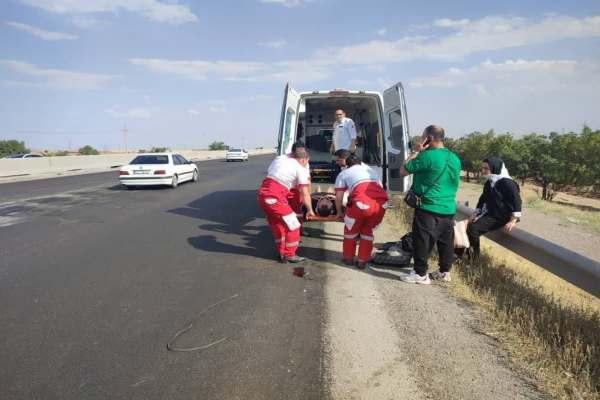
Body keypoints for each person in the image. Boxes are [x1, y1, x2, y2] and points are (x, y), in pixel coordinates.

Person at [400, 125, 461, 284]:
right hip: (448, 207)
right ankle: (444, 272)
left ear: (429, 138)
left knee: (422, 241)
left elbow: (403, 170)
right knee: (445, 242)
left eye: (423, 136)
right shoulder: (455, 158)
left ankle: (420, 274)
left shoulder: (426, 156)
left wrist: (416, 152)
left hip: (429, 207)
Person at [258, 148, 316, 263]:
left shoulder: (280, 159)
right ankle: (290, 254)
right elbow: (305, 193)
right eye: (306, 161)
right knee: (294, 224)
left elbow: (271, 171)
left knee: (278, 225)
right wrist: (310, 210)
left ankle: (282, 252)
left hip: (263, 195)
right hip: (275, 197)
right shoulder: (300, 169)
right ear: (304, 160)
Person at [459, 156, 522, 260]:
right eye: (482, 168)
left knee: (473, 229)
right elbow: (483, 197)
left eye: (486, 168)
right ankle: (466, 255)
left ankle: (473, 258)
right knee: (468, 226)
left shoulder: (507, 183)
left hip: (502, 216)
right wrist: (476, 212)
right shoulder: (490, 181)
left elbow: (517, 201)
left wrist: (513, 220)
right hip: (491, 213)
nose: (483, 171)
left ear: (495, 168)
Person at [335, 154, 388, 269]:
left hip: (361, 204)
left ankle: (348, 258)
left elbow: (339, 197)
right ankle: (362, 260)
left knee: (350, 231)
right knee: (367, 232)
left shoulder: (344, 173)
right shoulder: (371, 171)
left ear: (347, 165)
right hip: (381, 204)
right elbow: (380, 188)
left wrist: (339, 212)